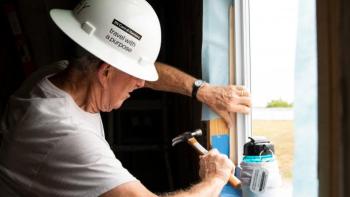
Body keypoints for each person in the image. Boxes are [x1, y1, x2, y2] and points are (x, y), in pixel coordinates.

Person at [0, 0, 251, 196]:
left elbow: (147, 74)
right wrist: (215, 178)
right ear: (106, 72)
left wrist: (201, 90)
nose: (142, 83)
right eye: (136, 75)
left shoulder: (62, 73)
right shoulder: (64, 133)